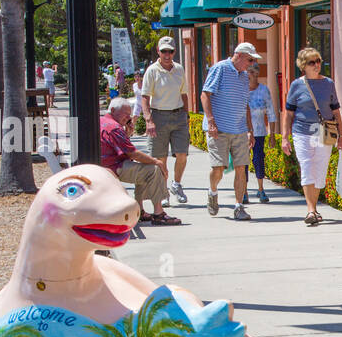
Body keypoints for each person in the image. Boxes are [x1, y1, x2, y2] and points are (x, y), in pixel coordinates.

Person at [283, 47, 342, 226]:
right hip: (302, 131)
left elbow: (336, 111)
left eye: (318, 61)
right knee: (307, 167)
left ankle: (314, 208)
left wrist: (341, 136)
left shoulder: (328, 83)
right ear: (303, 66)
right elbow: (288, 113)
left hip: (325, 131)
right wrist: (285, 137)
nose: (317, 65)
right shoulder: (297, 85)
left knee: (320, 170)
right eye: (312, 62)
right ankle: (310, 210)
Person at [199, 42, 257, 221]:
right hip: (219, 129)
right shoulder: (220, 69)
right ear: (238, 55)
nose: (251, 64)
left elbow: (245, 104)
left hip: (239, 129)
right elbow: (205, 94)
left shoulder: (244, 77)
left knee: (241, 168)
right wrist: (211, 122)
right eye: (249, 59)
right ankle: (213, 191)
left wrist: (250, 130)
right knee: (219, 169)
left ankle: (239, 206)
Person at [100, 96, 180, 225]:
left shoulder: (103, 121)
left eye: (129, 115)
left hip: (105, 166)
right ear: (113, 110)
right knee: (153, 169)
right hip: (113, 168)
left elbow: (118, 149)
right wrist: (156, 162)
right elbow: (132, 153)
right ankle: (159, 213)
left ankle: (140, 210)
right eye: (125, 114)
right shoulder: (114, 127)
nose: (128, 118)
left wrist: (127, 135)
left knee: (143, 167)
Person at [140, 36, 190, 207]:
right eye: (164, 51)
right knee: (160, 159)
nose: (167, 54)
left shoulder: (179, 69)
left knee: (182, 154)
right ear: (158, 51)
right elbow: (145, 97)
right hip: (159, 116)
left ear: (174, 52)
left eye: (170, 51)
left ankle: (176, 184)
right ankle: (163, 192)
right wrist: (148, 120)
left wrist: (186, 114)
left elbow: (184, 93)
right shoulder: (152, 71)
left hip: (178, 115)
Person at [242, 55, 276, 205]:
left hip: (259, 132)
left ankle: (261, 189)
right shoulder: (241, 90)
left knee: (258, 160)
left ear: (256, 74)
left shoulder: (263, 90)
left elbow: (271, 112)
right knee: (242, 162)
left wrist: (272, 134)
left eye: (249, 72)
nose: (247, 75)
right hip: (241, 132)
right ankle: (243, 191)